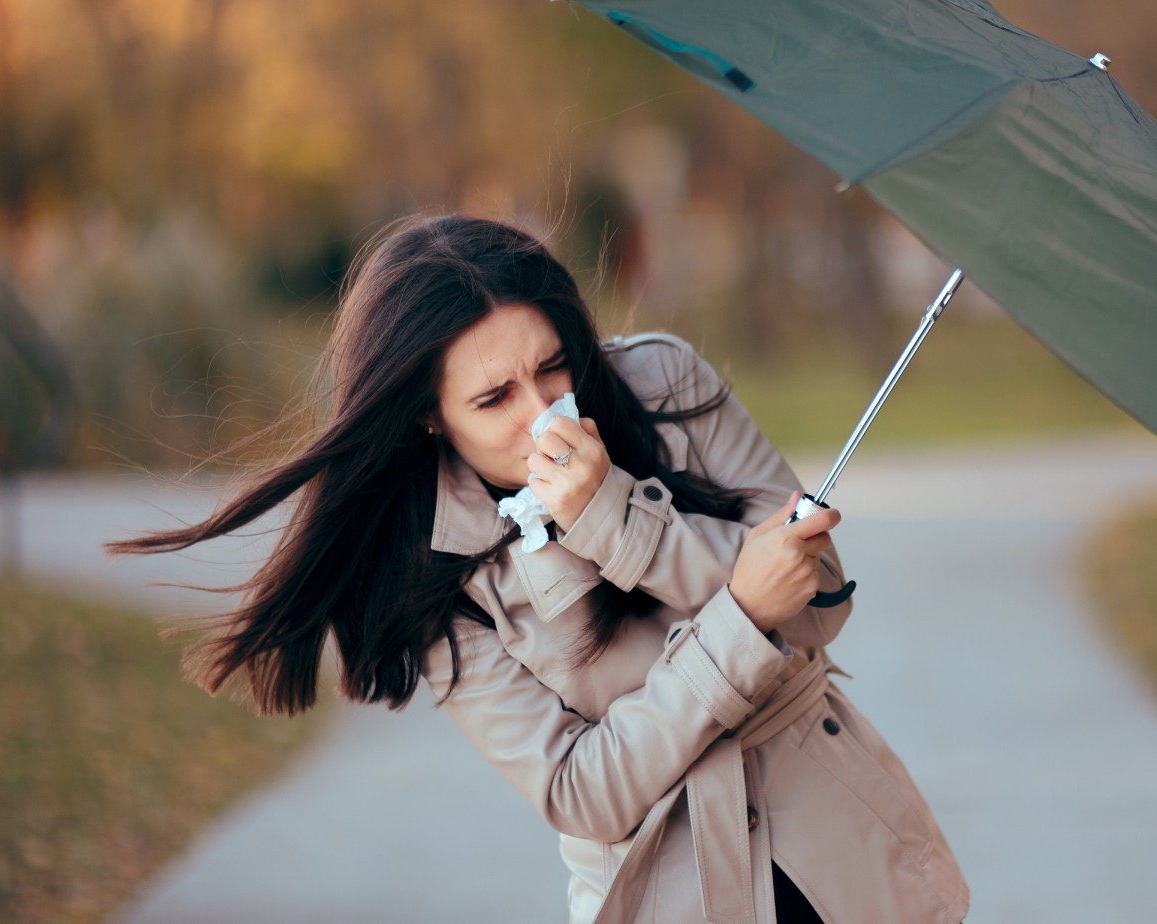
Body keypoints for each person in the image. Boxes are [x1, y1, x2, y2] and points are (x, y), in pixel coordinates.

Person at [107, 214, 968, 924]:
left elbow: (818, 608)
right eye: (494, 398)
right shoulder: (428, 573)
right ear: (428, 417)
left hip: (844, 849)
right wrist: (737, 615)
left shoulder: (663, 383)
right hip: (666, 890)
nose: (545, 412)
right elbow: (583, 791)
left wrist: (621, 522)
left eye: (553, 366)